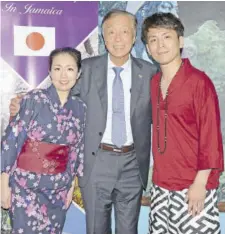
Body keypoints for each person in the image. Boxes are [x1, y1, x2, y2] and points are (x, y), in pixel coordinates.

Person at [9, 10, 157, 234]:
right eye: (111, 32)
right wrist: (23, 102)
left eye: (124, 32)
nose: (118, 38)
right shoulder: (86, 69)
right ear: (104, 38)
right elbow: (59, 95)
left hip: (132, 166)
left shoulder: (149, 73)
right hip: (96, 163)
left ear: (134, 36)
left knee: (129, 230)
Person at [141, 12, 224, 234]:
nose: (160, 45)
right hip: (160, 187)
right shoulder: (154, 82)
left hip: (194, 185)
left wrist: (200, 183)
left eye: (167, 37)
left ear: (180, 41)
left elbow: (211, 136)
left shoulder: (199, 82)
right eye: (153, 39)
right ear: (148, 48)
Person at [1, 47, 86, 234]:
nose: (63, 75)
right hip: (26, 188)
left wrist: (71, 185)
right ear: (50, 72)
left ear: (78, 73)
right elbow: (12, 139)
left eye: (70, 69)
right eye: (57, 68)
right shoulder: (34, 99)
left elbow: (77, 149)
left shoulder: (80, 108)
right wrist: (4, 183)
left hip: (59, 188)